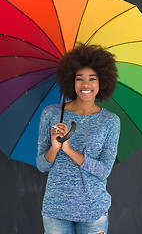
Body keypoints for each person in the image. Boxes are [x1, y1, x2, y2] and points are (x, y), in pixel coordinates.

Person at [36, 44, 120, 234]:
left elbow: (104, 170)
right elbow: (41, 165)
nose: (85, 84)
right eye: (79, 78)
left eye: (92, 78)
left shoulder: (110, 121)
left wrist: (69, 150)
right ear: (71, 82)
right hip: (56, 211)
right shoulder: (52, 114)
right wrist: (55, 148)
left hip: (93, 212)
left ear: (102, 82)